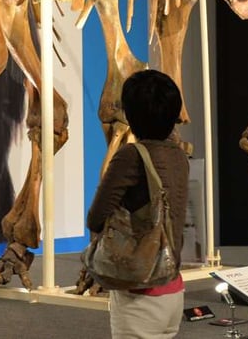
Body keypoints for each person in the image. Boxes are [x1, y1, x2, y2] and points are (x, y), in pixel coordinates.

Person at [87, 69, 191, 339]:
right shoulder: (179, 156)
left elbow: (96, 216)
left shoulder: (131, 156)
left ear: (131, 115)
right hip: (172, 287)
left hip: (140, 293)